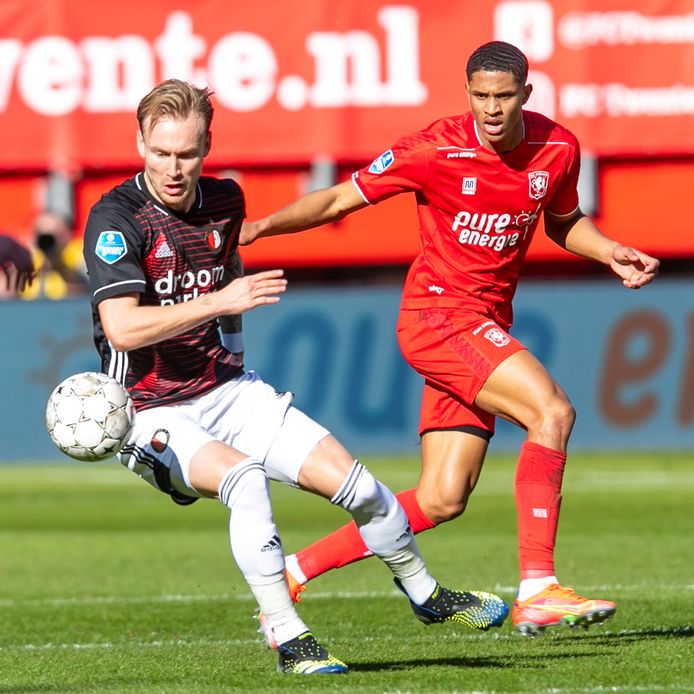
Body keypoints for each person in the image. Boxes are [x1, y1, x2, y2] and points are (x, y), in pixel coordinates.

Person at [81, 79, 509, 676]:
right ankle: (289, 638)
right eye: (160, 153)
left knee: (360, 489)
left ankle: (427, 594)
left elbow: (225, 271)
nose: (173, 168)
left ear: (207, 146)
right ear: (140, 143)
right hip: (150, 408)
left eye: (187, 153)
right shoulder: (115, 218)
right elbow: (123, 329)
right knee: (246, 481)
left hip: (229, 390)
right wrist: (218, 301)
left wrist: (230, 349)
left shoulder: (225, 201)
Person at [240, 41, 660, 636]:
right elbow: (338, 197)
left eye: (504, 96)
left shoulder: (558, 147)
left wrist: (609, 250)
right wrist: (258, 229)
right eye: (481, 96)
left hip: (482, 322)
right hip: (439, 316)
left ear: (526, 95)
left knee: (442, 497)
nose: (492, 108)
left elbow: (564, 222)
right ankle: (538, 586)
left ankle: (294, 570)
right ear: (468, 94)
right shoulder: (434, 148)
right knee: (553, 413)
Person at [20, 210, 88, 300]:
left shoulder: (80, 255)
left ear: (66, 235)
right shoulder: (26, 259)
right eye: (42, 236)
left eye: (53, 236)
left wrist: (61, 265)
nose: (47, 242)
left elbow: (88, 290)